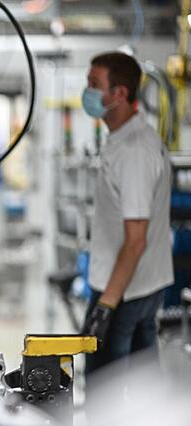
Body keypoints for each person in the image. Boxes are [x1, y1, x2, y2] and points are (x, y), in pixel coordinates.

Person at [80, 52, 173, 374]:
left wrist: (105, 306)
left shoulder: (135, 151)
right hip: (139, 286)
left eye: (94, 84)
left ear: (119, 93)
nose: (87, 92)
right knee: (142, 394)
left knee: (107, 395)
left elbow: (136, 240)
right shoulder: (124, 139)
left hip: (122, 293)